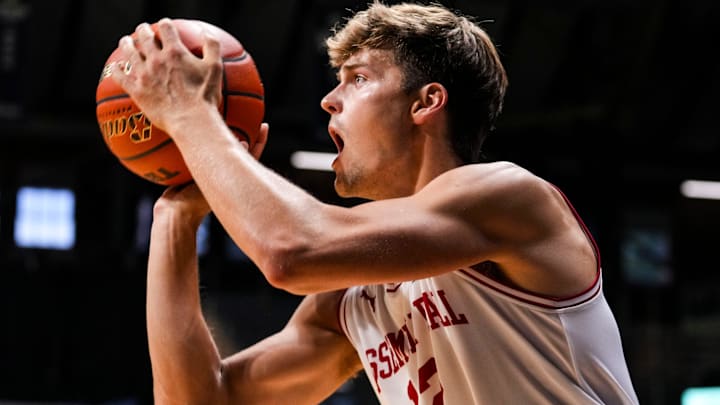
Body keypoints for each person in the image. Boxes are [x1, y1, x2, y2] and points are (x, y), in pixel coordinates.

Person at [111, 2, 639, 404]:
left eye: (358, 78)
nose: (328, 100)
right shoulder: (357, 300)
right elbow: (205, 399)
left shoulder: (508, 197)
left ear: (426, 102)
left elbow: (291, 251)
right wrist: (175, 217)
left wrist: (190, 116)